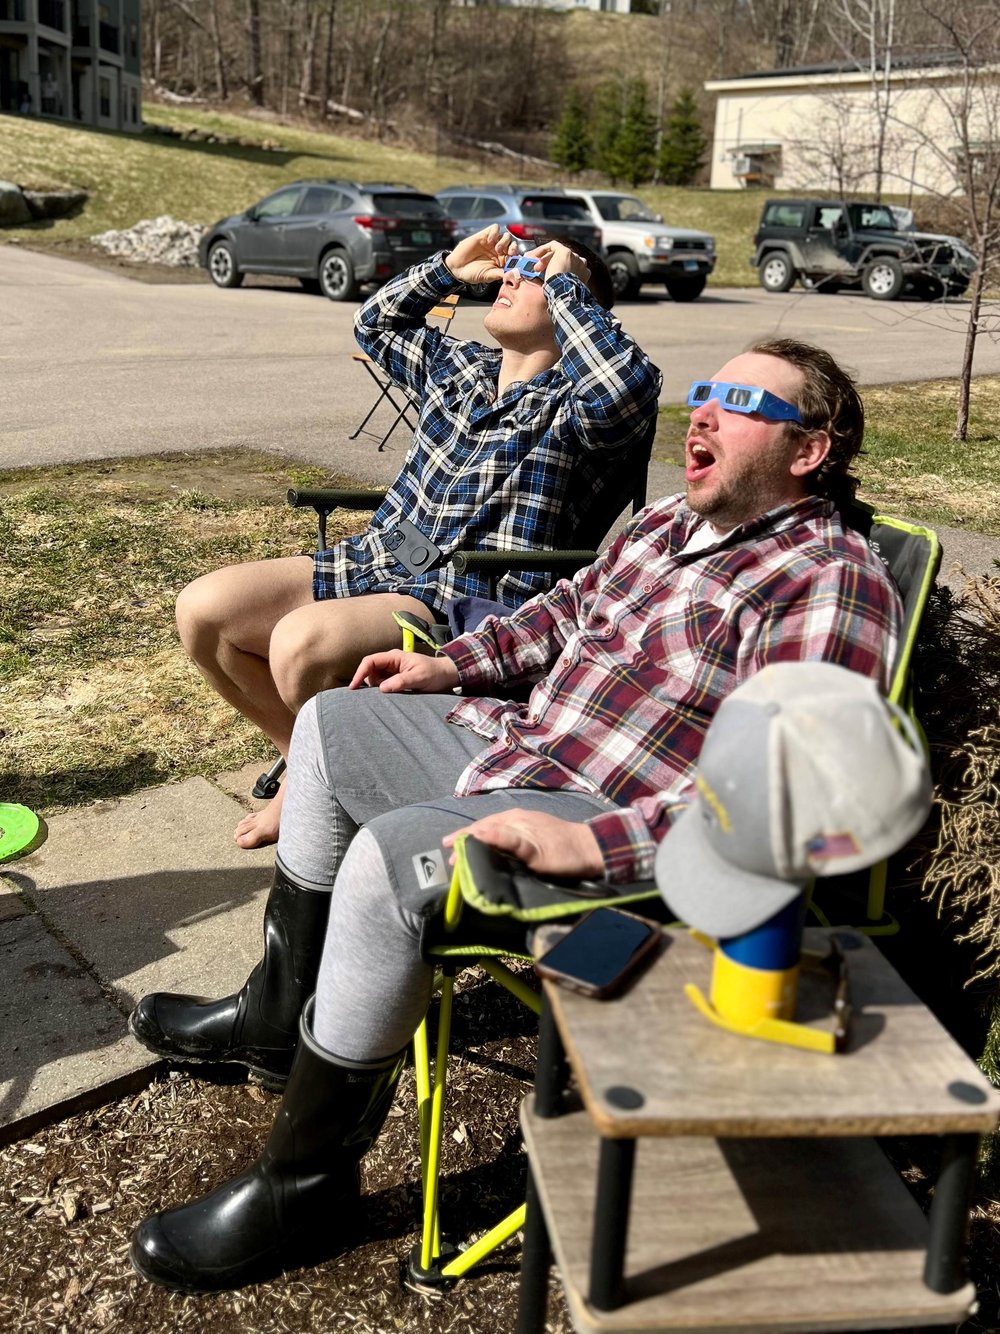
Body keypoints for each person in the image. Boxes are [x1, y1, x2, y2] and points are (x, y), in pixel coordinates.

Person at [128, 338, 904, 1293]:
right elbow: (566, 610)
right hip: (519, 741)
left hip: (606, 821)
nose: (702, 412)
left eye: (740, 401)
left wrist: (587, 840)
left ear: (809, 451)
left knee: (387, 861)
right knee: (329, 723)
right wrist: (451, 665)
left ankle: (306, 1180)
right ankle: (277, 1024)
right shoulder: (668, 525)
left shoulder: (828, 579)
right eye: (706, 392)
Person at [175, 226, 660, 850]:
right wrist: (449, 270)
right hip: (382, 555)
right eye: (518, 266)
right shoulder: (461, 367)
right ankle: (305, 764)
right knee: (204, 612)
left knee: (301, 645)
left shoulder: (583, 409)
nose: (514, 275)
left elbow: (628, 388)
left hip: (467, 596)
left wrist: (566, 282)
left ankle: (326, 795)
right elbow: (373, 325)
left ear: (577, 308)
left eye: (536, 272)